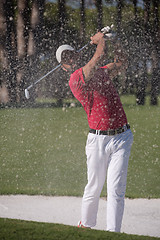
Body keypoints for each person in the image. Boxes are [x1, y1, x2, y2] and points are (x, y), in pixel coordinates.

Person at [56, 31, 133, 232]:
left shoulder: (101, 72)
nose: (69, 58)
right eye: (65, 59)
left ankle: (113, 233)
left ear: (77, 55)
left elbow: (122, 62)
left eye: (70, 54)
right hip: (98, 140)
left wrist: (114, 40)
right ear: (64, 67)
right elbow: (99, 55)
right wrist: (101, 40)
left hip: (122, 137)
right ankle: (86, 226)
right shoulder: (75, 79)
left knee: (117, 190)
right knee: (94, 187)